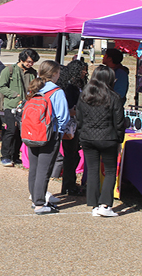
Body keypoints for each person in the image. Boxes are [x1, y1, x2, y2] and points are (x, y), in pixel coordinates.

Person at [76, 65, 125, 217]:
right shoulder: (114, 97)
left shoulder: (84, 95)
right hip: (108, 138)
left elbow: (79, 118)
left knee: (92, 170)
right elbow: (119, 122)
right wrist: (119, 140)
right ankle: (105, 205)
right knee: (110, 171)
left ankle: (94, 204)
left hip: (88, 137)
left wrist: (81, 134)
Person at [26, 60, 70, 215]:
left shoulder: (35, 88)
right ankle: (39, 204)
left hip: (31, 133)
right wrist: (62, 131)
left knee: (34, 168)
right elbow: (63, 116)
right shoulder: (57, 92)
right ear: (55, 74)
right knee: (44, 170)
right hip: (49, 134)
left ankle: (35, 198)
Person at [0, 49, 40, 167]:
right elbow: (1, 86)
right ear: (21, 59)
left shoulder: (33, 73)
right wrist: (14, 94)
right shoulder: (9, 70)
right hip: (11, 105)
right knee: (10, 130)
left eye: (32, 62)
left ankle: (15, 156)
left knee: (20, 132)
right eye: (29, 61)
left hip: (26, 107)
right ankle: (5, 156)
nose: (30, 64)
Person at [56, 60, 88, 196]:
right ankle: (68, 185)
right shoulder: (69, 87)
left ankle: (70, 183)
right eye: (83, 70)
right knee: (71, 155)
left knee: (74, 155)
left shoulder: (80, 84)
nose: (85, 72)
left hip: (77, 124)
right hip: (70, 124)